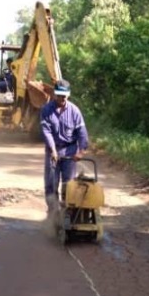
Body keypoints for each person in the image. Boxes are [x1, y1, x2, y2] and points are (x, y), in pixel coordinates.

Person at [40, 79, 90, 216]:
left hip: (70, 151)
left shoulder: (74, 111)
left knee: (69, 185)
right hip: (53, 151)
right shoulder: (46, 110)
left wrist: (81, 151)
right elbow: (46, 131)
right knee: (51, 184)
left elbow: (82, 132)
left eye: (64, 95)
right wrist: (53, 150)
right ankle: (53, 214)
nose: (61, 98)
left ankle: (68, 212)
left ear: (68, 95)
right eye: (59, 95)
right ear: (54, 94)